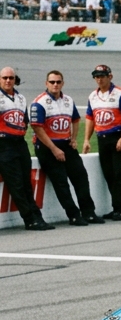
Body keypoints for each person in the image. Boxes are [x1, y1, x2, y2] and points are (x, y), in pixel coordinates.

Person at [30, 71, 103, 226]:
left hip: (66, 143)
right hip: (46, 146)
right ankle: (74, 215)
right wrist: (54, 149)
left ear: (63, 83)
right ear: (46, 84)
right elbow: (37, 128)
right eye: (52, 82)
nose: (55, 85)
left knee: (81, 176)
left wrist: (74, 138)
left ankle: (89, 212)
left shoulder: (68, 100)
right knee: (61, 181)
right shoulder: (39, 102)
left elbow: (76, 119)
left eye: (58, 82)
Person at [0, 68, 54, 231]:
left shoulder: (21, 98)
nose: (8, 80)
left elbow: (24, 120)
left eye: (11, 78)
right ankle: (29, 220)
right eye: (5, 78)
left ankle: (37, 217)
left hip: (20, 143)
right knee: (16, 184)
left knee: (27, 182)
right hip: (3, 144)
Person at [83, 65, 121, 221]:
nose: (99, 79)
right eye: (96, 76)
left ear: (110, 77)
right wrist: (86, 139)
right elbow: (90, 118)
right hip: (102, 138)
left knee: (119, 174)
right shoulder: (92, 96)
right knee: (109, 174)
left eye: (102, 76)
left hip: (117, 136)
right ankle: (116, 207)